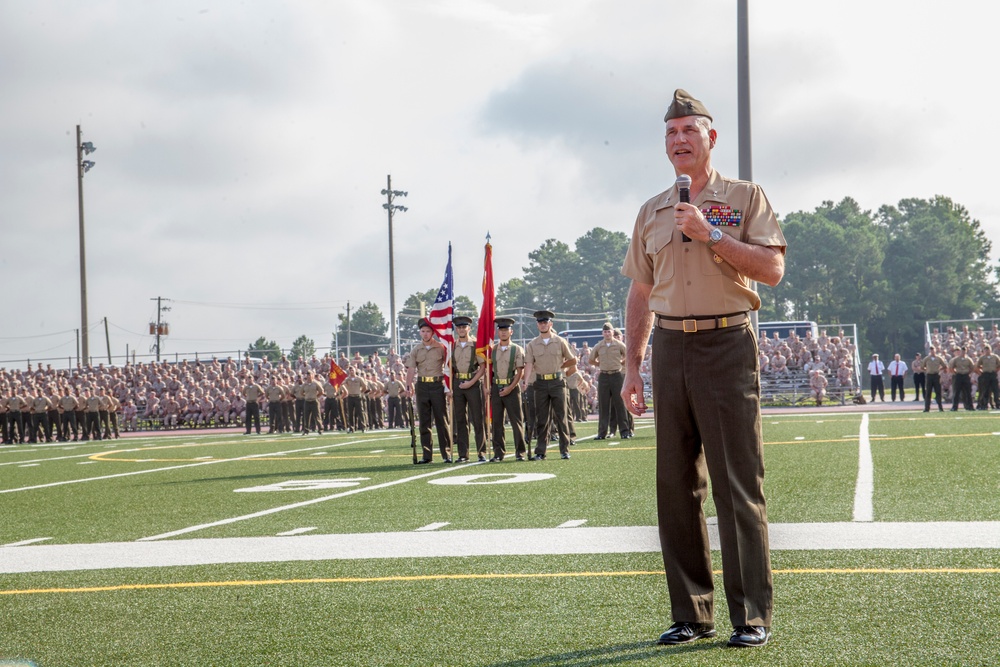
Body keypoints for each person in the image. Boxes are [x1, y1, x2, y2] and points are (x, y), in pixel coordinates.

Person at [620, 89, 785, 648]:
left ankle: (750, 615)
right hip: (670, 349)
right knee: (675, 484)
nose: (679, 140)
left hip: (727, 344)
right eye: (670, 133)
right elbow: (641, 292)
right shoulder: (651, 210)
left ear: (711, 137)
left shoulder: (744, 197)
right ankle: (691, 612)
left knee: (738, 484)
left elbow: (772, 269)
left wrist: (713, 235)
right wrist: (632, 367)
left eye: (689, 130)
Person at [522, 309, 576, 460]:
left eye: (545, 322)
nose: (543, 324)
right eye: (540, 322)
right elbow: (528, 364)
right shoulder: (532, 344)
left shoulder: (560, 341)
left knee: (561, 416)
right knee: (542, 419)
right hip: (540, 383)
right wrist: (526, 380)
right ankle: (540, 451)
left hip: (557, 382)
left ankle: (564, 449)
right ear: (537, 325)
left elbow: (573, 360)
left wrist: (562, 368)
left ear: (551, 324)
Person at [405, 318, 453, 464]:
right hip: (422, 386)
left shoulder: (441, 347)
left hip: (437, 385)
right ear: (420, 332)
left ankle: (447, 454)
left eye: (428, 331)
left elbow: (449, 366)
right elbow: (411, 369)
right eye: (423, 331)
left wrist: (449, 386)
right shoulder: (416, 349)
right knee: (424, 422)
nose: (425, 334)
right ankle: (427, 456)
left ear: (433, 332)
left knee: (441, 420)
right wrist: (408, 386)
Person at [489, 317, 527, 462]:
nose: (503, 333)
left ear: (511, 332)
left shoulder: (517, 349)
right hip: (496, 387)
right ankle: (498, 453)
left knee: (516, 421)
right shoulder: (492, 350)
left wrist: (510, 388)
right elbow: (489, 370)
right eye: (501, 330)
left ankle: (520, 452)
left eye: (506, 330)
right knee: (497, 423)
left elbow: (520, 372)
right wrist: (488, 387)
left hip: (511, 387)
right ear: (498, 332)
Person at [451, 316, 487, 462]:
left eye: (463, 327)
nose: (461, 329)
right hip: (458, 383)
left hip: (472, 383)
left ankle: (481, 452)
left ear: (469, 328)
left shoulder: (476, 345)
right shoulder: (452, 345)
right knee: (460, 420)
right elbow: (449, 367)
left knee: (477, 419)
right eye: (458, 327)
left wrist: (471, 382)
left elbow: (483, 367)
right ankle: (463, 454)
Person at [590, 322, 631, 440]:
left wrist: (621, 362)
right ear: (602, 333)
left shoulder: (619, 344)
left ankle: (624, 431)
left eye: (609, 331)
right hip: (604, 376)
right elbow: (591, 359)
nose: (607, 334)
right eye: (605, 332)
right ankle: (602, 432)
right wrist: (599, 364)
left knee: (620, 404)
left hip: (616, 375)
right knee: (603, 405)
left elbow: (628, 355)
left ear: (612, 332)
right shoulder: (599, 346)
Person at [949, 347, 975, 411]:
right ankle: (954, 407)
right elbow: (951, 367)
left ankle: (969, 406)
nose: (963, 353)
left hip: (965, 376)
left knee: (967, 392)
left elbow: (972, 367)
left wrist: (968, 373)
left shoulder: (968, 359)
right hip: (958, 376)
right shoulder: (956, 359)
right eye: (962, 351)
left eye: (964, 351)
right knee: (956, 392)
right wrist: (955, 373)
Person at [975, 344, 1000, 410]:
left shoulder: (995, 357)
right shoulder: (982, 358)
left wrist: (995, 371)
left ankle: (997, 404)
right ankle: (984, 404)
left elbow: (999, 365)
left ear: (990, 350)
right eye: (985, 349)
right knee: (985, 390)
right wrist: (981, 372)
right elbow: (977, 366)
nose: (987, 351)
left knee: (995, 390)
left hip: (992, 374)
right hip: (985, 375)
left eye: (988, 349)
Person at [924, 346, 946, 412]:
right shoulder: (927, 358)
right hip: (929, 376)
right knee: (928, 392)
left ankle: (940, 407)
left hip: (936, 375)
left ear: (935, 350)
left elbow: (944, 366)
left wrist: (939, 369)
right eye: (931, 350)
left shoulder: (939, 358)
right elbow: (922, 366)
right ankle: (927, 408)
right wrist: (927, 370)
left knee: (938, 392)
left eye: (933, 350)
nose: (932, 351)